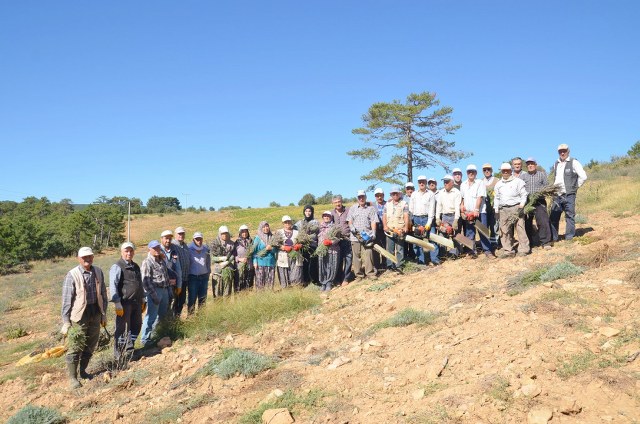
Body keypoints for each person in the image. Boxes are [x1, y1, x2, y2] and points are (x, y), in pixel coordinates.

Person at [61, 247, 108, 389]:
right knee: (76, 346)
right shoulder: (72, 274)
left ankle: (83, 372)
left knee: (91, 344)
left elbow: (104, 294)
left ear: (93, 257)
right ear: (79, 259)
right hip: (79, 315)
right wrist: (66, 321)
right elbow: (66, 299)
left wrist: (104, 313)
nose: (87, 259)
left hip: (95, 312)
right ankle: (72, 378)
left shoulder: (98, 271)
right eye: (84, 257)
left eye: (89, 256)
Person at [109, 242, 143, 362]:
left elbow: (140, 283)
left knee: (137, 325)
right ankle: (118, 355)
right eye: (126, 251)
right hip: (124, 303)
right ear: (121, 252)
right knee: (122, 329)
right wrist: (117, 302)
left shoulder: (136, 266)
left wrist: (142, 299)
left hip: (136, 302)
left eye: (131, 251)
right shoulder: (117, 266)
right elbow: (113, 286)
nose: (129, 253)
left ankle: (130, 348)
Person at [550, 144, 588, 242]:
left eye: (564, 151)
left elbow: (583, 177)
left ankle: (569, 237)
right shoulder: (556, 163)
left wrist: (574, 187)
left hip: (568, 194)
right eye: (560, 151)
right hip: (557, 195)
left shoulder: (574, 162)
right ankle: (553, 238)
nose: (562, 153)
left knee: (569, 216)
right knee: (554, 216)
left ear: (568, 151)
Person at [140, 240, 173, 347]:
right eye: (154, 248)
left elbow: (166, 275)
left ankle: (156, 335)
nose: (157, 250)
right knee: (151, 316)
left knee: (162, 315)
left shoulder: (161, 260)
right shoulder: (147, 262)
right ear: (149, 249)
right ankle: (145, 339)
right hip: (154, 291)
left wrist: (168, 290)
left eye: (158, 247)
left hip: (164, 290)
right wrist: (153, 295)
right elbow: (146, 281)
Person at [494, 162, 529, 258]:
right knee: (505, 231)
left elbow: (523, 195)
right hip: (503, 209)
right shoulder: (498, 184)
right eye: (503, 171)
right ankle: (508, 250)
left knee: (520, 228)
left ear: (511, 171)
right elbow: (496, 198)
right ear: (501, 172)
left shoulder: (518, 181)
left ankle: (524, 249)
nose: (505, 172)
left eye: (507, 170)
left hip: (516, 207)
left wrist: (521, 206)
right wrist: (496, 210)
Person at [520, 157, 553, 250]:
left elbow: (547, 187)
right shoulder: (523, 176)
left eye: (532, 163)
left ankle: (545, 242)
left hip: (539, 201)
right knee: (527, 222)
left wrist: (540, 194)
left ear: (535, 165)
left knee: (543, 221)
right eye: (528, 164)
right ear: (526, 166)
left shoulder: (542, 175)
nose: (530, 165)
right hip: (527, 202)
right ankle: (529, 243)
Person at [460, 164, 491, 258]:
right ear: (466, 173)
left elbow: (480, 197)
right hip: (468, 212)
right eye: (469, 171)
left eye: (473, 171)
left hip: (480, 212)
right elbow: (462, 197)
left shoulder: (480, 183)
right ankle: (471, 252)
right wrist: (461, 206)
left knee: (483, 231)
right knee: (470, 232)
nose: (471, 173)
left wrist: (476, 209)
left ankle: (488, 251)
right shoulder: (463, 184)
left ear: (476, 173)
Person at [347, 190, 378, 281]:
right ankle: (359, 275)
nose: (361, 198)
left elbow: (373, 221)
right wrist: (351, 226)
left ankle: (370, 273)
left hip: (367, 236)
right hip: (355, 236)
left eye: (363, 197)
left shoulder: (371, 208)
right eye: (359, 197)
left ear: (365, 197)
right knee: (356, 256)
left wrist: (374, 233)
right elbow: (349, 220)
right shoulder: (353, 208)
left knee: (369, 254)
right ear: (357, 198)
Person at [409, 175, 436, 265]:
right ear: (418, 183)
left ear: (426, 182)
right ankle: (421, 261)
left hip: (427, 218)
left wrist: (428, 223)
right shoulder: (414, 194)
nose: (421, 183)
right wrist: (411, 222)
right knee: (417, 242)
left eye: (423, 181)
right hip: (416, 219)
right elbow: (411, 209)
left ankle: (434, 260)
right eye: (420, 182)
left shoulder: (430, 194)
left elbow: (432, 210)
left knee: (432, 239)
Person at [383, 186, 410, 269]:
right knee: (390, 249)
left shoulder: (404, 204)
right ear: (391, 194)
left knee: (399, 249)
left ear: (399, 194)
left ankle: (399, 265)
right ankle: (390, 265)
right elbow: (384, 216)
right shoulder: (387, 204)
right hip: (390, 230)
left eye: (396, 193)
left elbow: (406, 216)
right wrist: (385, 226)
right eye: (393, 193)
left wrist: (406, 227)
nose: (395, 195)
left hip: (400, 229)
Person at [435, 175, 462, 258]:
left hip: (454, 215)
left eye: (447, 182)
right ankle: (443, 254)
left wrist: (456, 220)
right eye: (444, 182)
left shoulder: (456, 192)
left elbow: (457, 207)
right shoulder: (441, 193)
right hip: (444, 216)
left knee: (455, 235)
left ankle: (454, 254)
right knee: (442, 235)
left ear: (452, 183)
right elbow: (438, 206)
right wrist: (437, 217)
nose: (445, 183)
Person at [331, 195, 353, 286]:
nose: (337, 204)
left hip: (347, 238)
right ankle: (338, 279)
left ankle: (346, 278)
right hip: (337, 240)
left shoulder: (348, 210)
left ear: (342, 201)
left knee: (348, 258)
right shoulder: (331, 213)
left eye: (339, 202)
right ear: (333, 204)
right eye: (335, 202)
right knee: (338, 260)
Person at [276, 215, 304, 287]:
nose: (287, 223)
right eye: (285, 222)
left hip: (295, 254)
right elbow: (275, 244)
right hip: (283, 255)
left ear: (291, 222)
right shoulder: (279, 232)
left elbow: (302, 242)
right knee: (284, 270)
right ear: (283, 223)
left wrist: (299, 245)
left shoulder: (297, 232)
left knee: (296, 270)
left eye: (289, 222)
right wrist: (283, 247)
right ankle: (285, 287)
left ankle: (295, 286)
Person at [294, 205, 319, 285]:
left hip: (313, 246)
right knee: (304, 264)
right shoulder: (300, 222)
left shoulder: (315, 222)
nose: (308, 213)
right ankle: (305, 281)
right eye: (306, 211)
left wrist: (307, 238)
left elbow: (316, 234)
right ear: (304, 212)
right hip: (303, 247)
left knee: (313, 264)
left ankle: (314, 281)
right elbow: (294, 228)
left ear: (312, 212)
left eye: (309, 211)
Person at [159, 230, 182, 315]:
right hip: (161, 286)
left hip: (172, 285)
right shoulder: (157, 251)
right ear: (161, 239)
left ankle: (169, 326)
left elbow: (178, 269)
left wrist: (179, 285)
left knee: (172, 306)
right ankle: (160, 327)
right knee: (162, 309)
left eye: (170, 238)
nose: (168, 240)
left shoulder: (174, 251)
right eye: (166, 238)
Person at [187, 232, 210, 314]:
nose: (199, 241)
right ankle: (191, 316)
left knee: (203, 298)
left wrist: (208, 273)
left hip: (204, 277)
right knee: (192, 298)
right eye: (197, 239)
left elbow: (208, 262)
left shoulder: (205, 249)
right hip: (193, 277)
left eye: (200, 239)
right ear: (193, 240)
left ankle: (201, 317)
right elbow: (187, 264)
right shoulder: (189, 249)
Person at [317, 211, 340, 292]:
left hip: (332, 250)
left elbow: (338, 238)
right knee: (322, 266)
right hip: (322, 250)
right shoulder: (319, 227)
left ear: (331, 217)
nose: (326, 217)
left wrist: (331, 242)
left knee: (331, 266)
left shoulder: (335, 227)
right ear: (323, 217)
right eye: (325, 216)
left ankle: (329, 282)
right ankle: (323, 283)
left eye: (328, 216)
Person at [210, 226, 236, 297]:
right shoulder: (214, 243)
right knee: (217, 293)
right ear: (219, 234)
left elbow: (234, 254)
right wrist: (221, 259)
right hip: (217, 272)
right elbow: (212, 257)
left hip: (228, 271)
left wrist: (227, 262)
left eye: (226, 233)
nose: (225, 235)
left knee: (227, 293)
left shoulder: (232, 244)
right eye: (223, 233)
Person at [171, 227, 190, 317]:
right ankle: (172, 320)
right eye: (179, 234)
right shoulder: (173, 246)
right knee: (175, 300)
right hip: (176, 279)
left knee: (182, 300)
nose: (181, 235)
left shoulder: (185, 246)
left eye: (182, 234)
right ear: (175, 235)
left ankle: (177, 318)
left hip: (185, 278)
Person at [253, 221, 277, 290]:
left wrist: (271, 248)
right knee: (260, 284)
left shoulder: (272, 237)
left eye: (267, 226)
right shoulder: (257, 238)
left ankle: (269, 297)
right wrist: (255, 262)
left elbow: (276, 250)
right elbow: (254, 252)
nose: (266, 228)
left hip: (271, 263)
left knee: (270, 284)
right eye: (263, 227)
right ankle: (260, 298)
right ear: (261, 228)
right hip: (260, 264)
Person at [482, 163, 499, 250]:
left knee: (494, 226)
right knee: (485, 226)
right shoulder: (480, 181)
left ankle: (494, 243)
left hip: (494, 207)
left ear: (492, 170)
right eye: (485, 170)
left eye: (488, 169)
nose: (487, 171)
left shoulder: (497, 180)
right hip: (484, 208)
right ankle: (486, 244)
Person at [235, 225, 255, 291]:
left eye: (246, 231)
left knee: (249, 286)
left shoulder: (252, 241)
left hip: (250, 267)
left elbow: (255, 253)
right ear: (240, 233)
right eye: (242, 232)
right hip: (240, 268)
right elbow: (233, 256)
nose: (244, 233)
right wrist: (240, 259)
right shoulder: (236, 243)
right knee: (240, 287)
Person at [427, 177, 441, 265]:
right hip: (429, 218)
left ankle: (440, 255)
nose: (431, 184)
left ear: (436, 183)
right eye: (430, 183)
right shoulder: (427, 193)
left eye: (433, 182)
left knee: (440, 237)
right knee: (431, 237)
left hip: (439, 217)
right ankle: (430, 257)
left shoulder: (441, 193)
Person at [373, 187, 387, 272]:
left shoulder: (387, 204)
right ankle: (377, 265)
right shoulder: (373, 205)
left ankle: (385, 263)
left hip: (385, 227)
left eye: (381, 195)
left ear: (383, 195)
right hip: (376, 228)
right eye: (377, 196)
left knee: (385, 246)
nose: (379, 197)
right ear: (375, 196)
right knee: (376, 247)